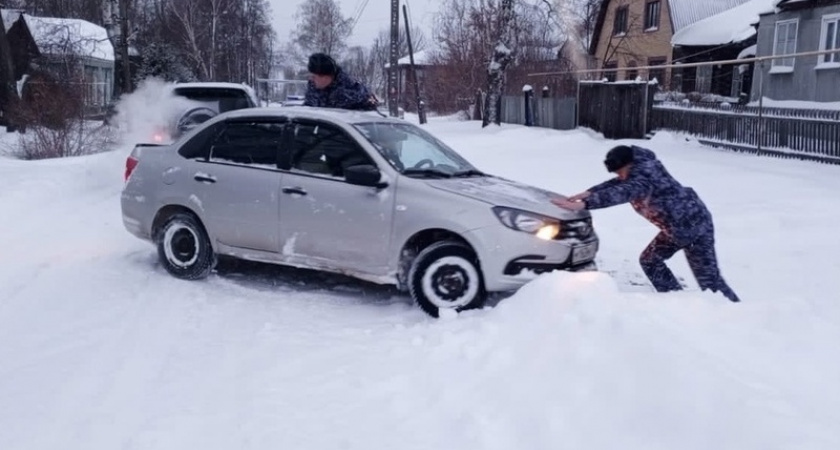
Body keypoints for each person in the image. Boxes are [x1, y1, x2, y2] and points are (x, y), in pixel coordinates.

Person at [552, 145, 740, 302]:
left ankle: (686, 302)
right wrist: (591, 192)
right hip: (692, 220)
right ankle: (690, 303)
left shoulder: (642, 179)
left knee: (665, 266)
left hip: (686, 227)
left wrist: (586, 203)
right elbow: (620, 182)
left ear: (629, 164)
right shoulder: (643, 166)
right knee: (695, 274)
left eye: (620, 171)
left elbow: (623, 191)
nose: (619, 175)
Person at [303, 52, 378, 111]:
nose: (311, 79)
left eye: (314, 77)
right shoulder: (313, 91)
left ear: (325, 77)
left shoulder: (352, 95)